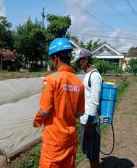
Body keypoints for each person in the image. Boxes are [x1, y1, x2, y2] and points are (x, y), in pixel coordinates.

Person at [33, 38, 85, 168]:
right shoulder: (78, 82)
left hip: (54, 142)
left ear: (56, 58)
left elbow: (44, 110)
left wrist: (37, 122)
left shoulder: (51, 80)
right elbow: (79, 112)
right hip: (70, 140)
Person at [71, 48, 102, 168]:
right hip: (86, 121)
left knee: (93, 154)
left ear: (85, 60)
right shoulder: (87, 75)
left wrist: (89, 125)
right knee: (89, 152)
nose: (77, 64)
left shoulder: (94, 76)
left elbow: (94, 103)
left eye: (79, 61)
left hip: (91, 123)